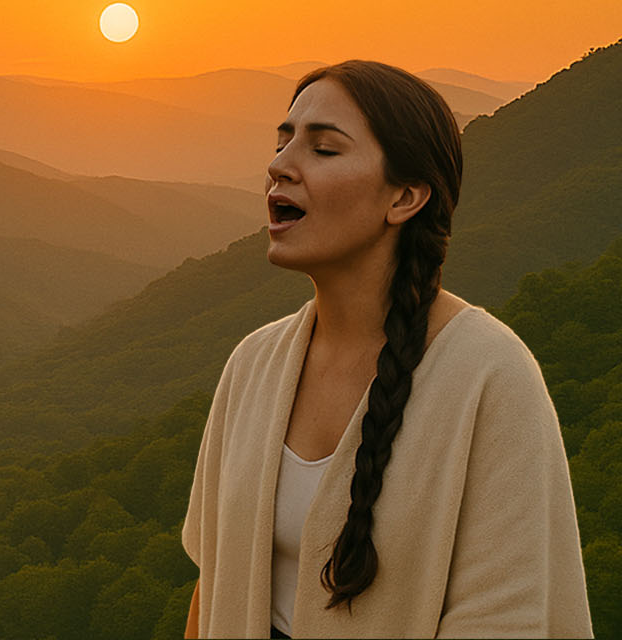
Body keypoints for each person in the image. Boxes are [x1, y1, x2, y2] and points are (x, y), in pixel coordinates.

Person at [180, 60, 592, 637]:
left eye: (323, 149)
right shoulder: (253, 364)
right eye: (284, 141)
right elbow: (214, 583)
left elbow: (504, 618)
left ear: (405, 197)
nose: (279, 166)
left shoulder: (489, 375)